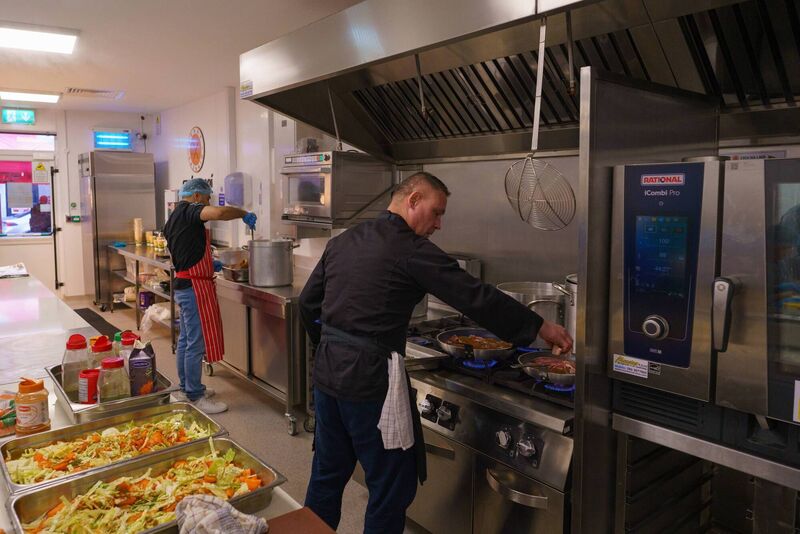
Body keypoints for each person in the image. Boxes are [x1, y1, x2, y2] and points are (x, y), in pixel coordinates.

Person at [298, 171, 573, 533]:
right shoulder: (411, 250)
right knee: (390, 487)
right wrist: (542, 326)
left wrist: (330, 347)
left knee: (326, 477)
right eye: (437, 212)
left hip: (328, 374)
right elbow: (476, 296)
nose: (439, 224)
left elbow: (307, 303)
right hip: (369, 383)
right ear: (413, 200)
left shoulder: (345, 240)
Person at [163, 178, 257, 414]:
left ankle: (187, 387)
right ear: (195, 196)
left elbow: (182, 251)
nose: (208, 202)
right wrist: (243, 213)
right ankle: (196, 396)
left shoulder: (173, 216)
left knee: (186, 340)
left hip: (185, 283)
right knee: (195, 342)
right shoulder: (190, 211)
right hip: (193, 288)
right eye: (206, 198)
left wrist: (208, 263)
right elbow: (221, 212)